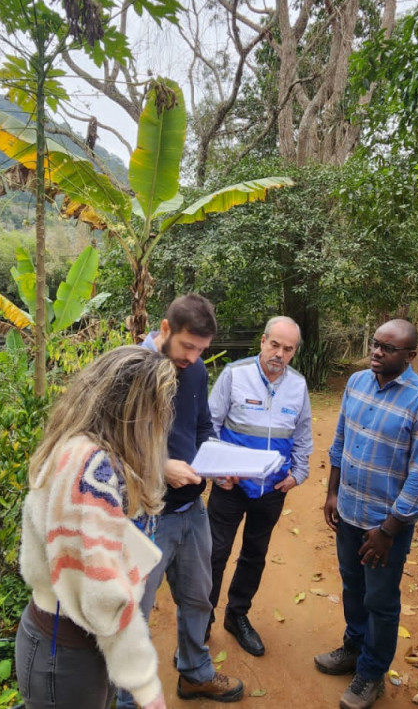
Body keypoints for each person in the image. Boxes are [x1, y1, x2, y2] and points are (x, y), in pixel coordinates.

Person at [14, 346, 176, 709]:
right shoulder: (91, 470)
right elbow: (102, 594)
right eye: (157, 409)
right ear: (133, 412)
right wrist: (146, 687)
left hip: (65, 638)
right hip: (67, 651)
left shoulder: (76, 448)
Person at [117, 293, 245, 706]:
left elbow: (202, 426)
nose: (193, 357)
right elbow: (110, 446)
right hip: (145, 515)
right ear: (165, 329)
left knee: (197, 598)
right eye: (187, 346)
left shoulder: (195, 370)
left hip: (192, 508)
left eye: (201, 349)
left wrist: (218, 460)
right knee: (134, 612)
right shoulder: (129, 371)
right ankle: (126, 699)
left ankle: (194, 674)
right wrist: (162, 467)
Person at [315, 319, 418, 709]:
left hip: (384, 526)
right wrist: (332, 492)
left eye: (387, 348)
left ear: (410, 355)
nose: (376, 351)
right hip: (349, 511)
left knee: (381, 600)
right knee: (353, 588)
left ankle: (372, 674)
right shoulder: (357, 383)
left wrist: (388, 531)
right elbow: (341, 440)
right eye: (375, 344)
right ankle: (354, 649)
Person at [206, 316, 312, 657]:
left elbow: (302, 434)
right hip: (230, 487)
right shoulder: (234, 375)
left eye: (288, 349)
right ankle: (201, 619)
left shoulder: (298, 386)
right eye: (274, 345)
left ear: (294, 352)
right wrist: (218, 472)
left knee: (255, 554)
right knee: (214, 553)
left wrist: (298, 473)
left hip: (272, 489)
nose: (279, 354)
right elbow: (209, 424)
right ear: (263, 341)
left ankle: (237, 615)